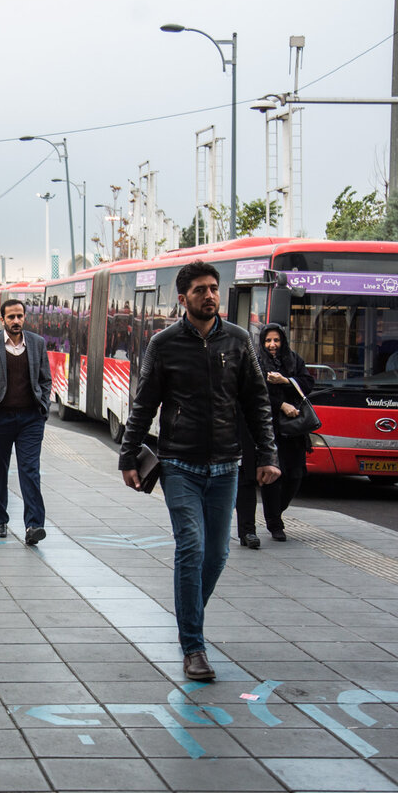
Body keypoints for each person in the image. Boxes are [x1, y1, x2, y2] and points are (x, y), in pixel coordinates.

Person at [118, 261, 278, 682]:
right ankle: (193, 646)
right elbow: (143, 405)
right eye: (201, 290)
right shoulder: (164, 344)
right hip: (179, 465)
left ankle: (188, 615)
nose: (210, 295)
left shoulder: (240, 341)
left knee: (218, 554)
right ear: (182, 297)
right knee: (191, 546)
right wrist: (127, 456)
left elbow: (257, 402)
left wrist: (268, 454)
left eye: (214, 288)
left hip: (227, 466)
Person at [0, 299, 52, 545]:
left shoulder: (37, 343)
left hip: (30, 419)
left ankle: (34, 525)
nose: (16, 321)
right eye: (11, 317)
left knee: (30, 470)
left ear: (25, 317)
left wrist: (43, 409)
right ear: (2, 319)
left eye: (20, 316)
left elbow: (45, 380)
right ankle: (0, 519)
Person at [236, 324, 314, 546]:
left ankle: (274, 513)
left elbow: (308, 383)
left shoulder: (293, 360)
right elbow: (252, 394)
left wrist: (286, 381)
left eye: (277, 340)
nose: (272, 345)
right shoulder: (255, 362)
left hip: (292, 429)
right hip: (262, 428)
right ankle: (263, 527)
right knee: (260, 477)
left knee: (295, 475)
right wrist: (281, 404)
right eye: (268, 341)